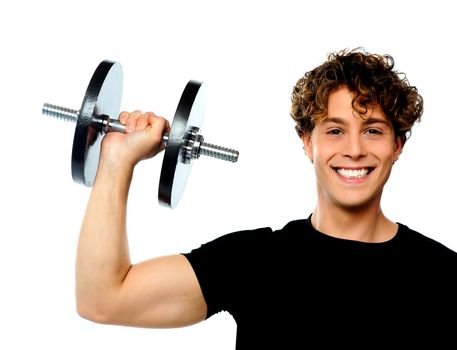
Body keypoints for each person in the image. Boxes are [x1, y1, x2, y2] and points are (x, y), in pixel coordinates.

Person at [75, 48, 457, 348]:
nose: (354, 150)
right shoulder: (255, 261)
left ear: (398, 145)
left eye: (373, 131)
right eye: (335, 131)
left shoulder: (444, 276)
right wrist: (116, 160)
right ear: (307, 142)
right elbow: (103, 299)